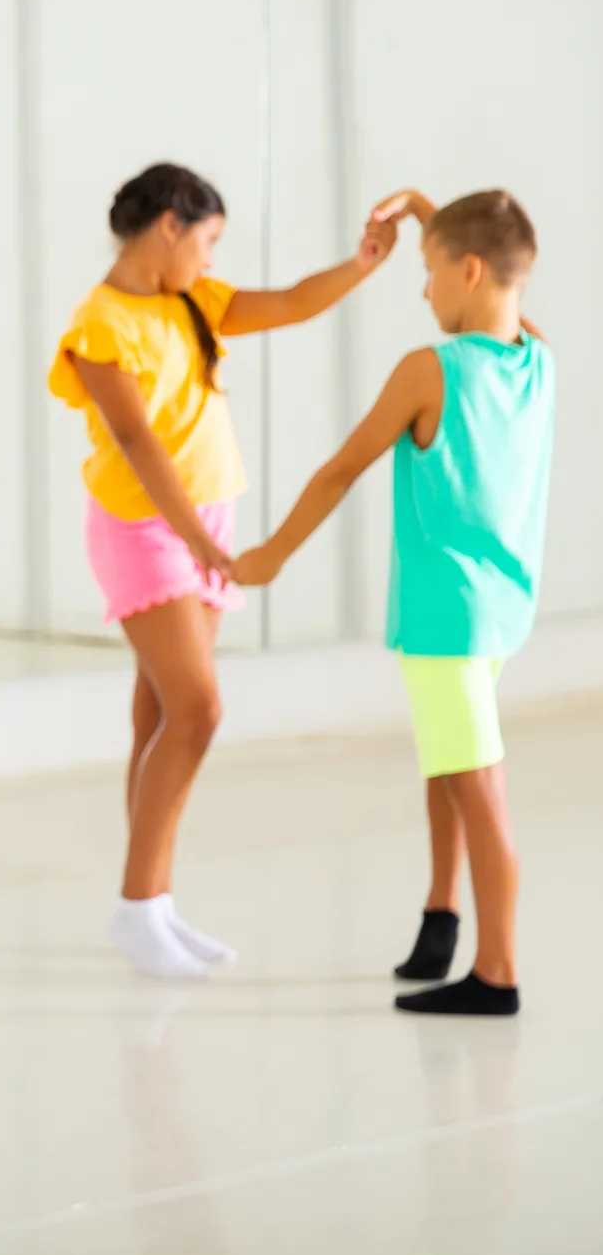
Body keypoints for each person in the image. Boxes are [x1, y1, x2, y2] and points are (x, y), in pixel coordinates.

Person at [47, 162, 395, 979]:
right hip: (145, 532)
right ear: (169, 225)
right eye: (205, 241)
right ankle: (137, 907)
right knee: (198, 711)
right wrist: (198, 547)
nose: (209, 261)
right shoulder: (99, 326)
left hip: (205, 520)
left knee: (159, 715)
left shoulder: (192, 301)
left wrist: (363, 263)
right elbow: (137, 443)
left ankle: (153, 906)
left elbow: (293, 301)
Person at [235, 188, 550, 1018]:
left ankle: (498, 971)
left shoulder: (430, 370)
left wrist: (269, 556)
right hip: (500, 610)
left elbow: (341, 468)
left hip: (448, 615)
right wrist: (429, 212)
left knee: (477, 786)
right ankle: (441, 920)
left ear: (469, 269)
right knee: (450, 765)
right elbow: (508, 280)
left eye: (429, 268)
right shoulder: (536, 361)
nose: (422, 290)